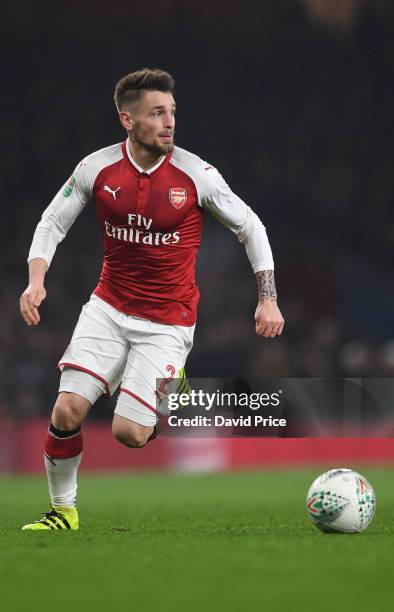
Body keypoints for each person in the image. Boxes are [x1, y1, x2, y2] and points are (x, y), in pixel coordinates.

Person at [19, 68, 284, 531]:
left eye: (173, 112)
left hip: (167, 321)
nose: (169, 123)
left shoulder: (197, 175)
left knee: (130, 434)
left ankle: (170, 385)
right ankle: (62, 512)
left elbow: (251, 227)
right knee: (66, 410)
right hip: (107, 306)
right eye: (157, 113)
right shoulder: (96, 168)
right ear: (128, 119)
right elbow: (52, 223)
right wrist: (35, 279)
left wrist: (268, 299)